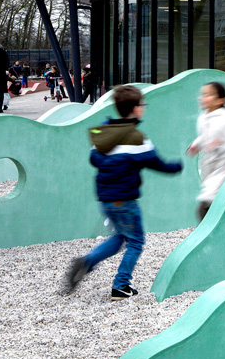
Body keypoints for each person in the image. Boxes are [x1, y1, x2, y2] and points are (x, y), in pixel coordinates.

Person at [67, 85, 183, 301]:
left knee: (121, 236)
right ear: (135, 108)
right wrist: (177, 166)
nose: (144, 108)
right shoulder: (136, 137)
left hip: (105, 199)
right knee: (136, 241)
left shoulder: (104, 132)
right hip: (125, 200)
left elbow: (94, 159)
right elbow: (156, 163)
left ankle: (87, 262)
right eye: (142, 104)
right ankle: (120, 285)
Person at [187, 82, 225, 221]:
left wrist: (221, 147)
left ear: (221, 100)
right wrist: (196, 145)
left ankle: (208, 232)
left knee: (207, 203)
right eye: (203, 94)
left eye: (208, 95)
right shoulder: (204, 117)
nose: (203, 98)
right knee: (212, 202)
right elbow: (205, 136)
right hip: (211, 165)